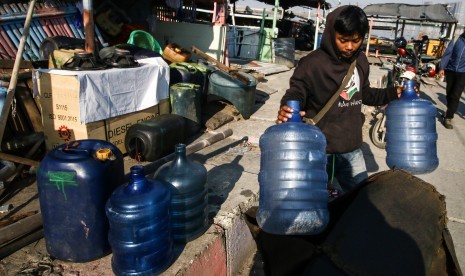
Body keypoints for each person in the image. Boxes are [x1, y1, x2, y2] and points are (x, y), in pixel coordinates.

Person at [276, 5, 400, 194]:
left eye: (356, 40)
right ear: (331, 33)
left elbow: (364, 94)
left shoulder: (361, 61)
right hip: (317, 150)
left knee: (360, 201)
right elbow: (297, 92)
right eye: (343, 40)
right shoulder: (311, 64)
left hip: (351, 148)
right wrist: (288, 106)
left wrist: (392, 93)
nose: (350, 47)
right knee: (311, 204)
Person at [438, 26, 465, 129]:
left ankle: (448, 117)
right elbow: (447, 54)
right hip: (451, 70)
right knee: (449, 93)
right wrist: (442, 68)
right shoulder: (457, 38)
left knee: (455, 95)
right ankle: (449, 110)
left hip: (463, 73)